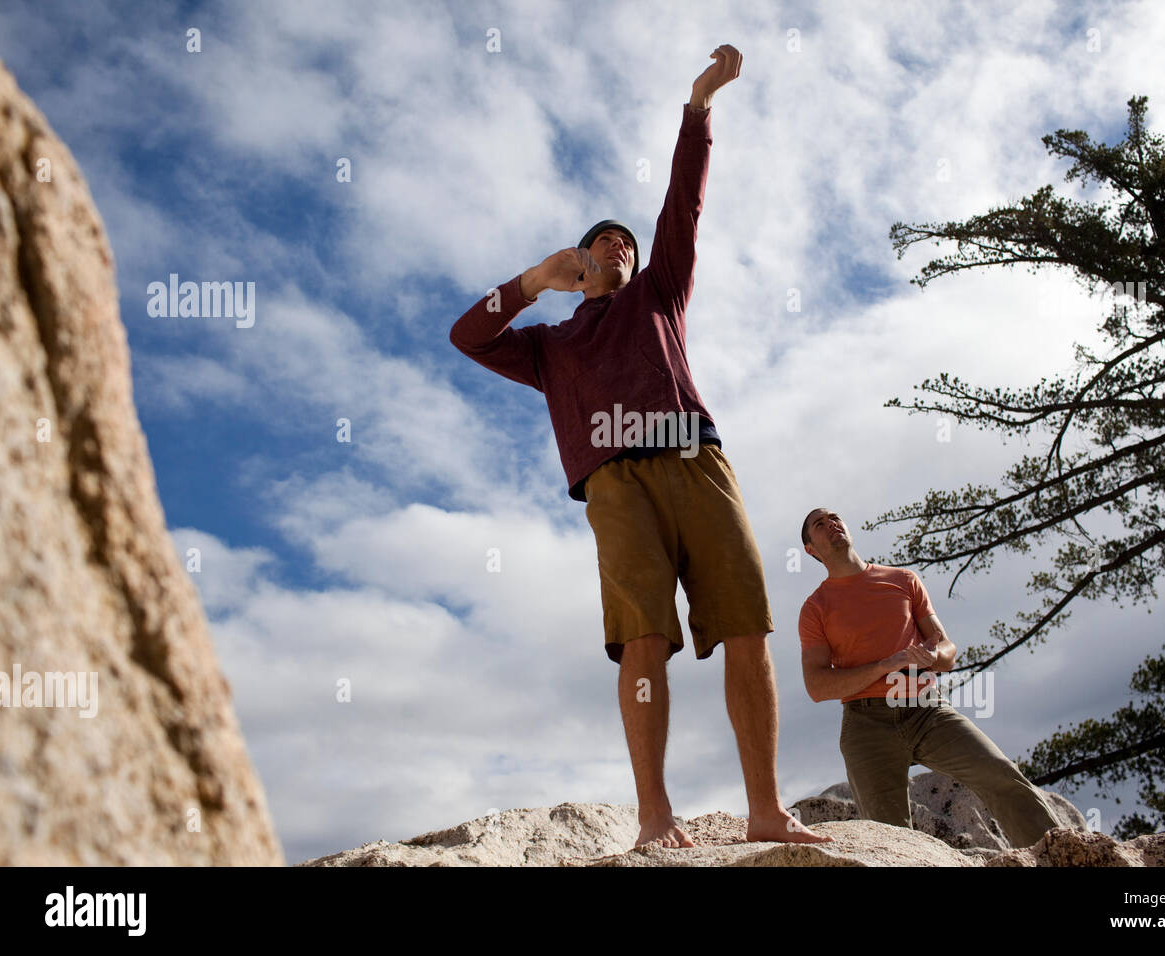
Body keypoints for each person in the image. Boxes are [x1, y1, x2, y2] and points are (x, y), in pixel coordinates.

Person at [449, 45, 828, 849]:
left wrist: (698, 107)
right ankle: (654, 817)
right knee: (643, 637)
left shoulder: (659, 291)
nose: (621, 246)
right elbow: (467, 335)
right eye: (604, 242)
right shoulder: (550, 347)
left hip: (698, 461)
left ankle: (766, 807)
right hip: (614, 487)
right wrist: (526, 283)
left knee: (746, 623)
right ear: (581, 263)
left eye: (627, 240)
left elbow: (682, 205)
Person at [797, 507, 1066, 848]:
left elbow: (948, 650)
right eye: (819, 524)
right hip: (867, 725)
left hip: (928, 710)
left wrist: (933, 658)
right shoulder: (815, 607)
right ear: (810, 549)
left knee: (1000, 774)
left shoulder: (903, 580)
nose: (831, 524)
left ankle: (1062, 857)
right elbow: (817, 686)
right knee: (889, 838)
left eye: (835, 517)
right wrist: (883, 666)